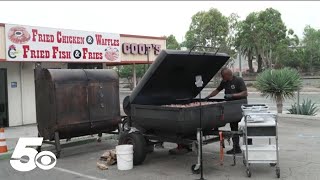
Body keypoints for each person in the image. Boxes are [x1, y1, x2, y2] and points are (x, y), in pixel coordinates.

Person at [205, 67, 249, 154]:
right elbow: (217, 90)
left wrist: (232, 95)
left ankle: (249, 146)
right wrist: (208, 97)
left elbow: (245, 93)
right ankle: (236, 148)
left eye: (223, 76)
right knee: (233, 126)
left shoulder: (238, 80)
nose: (222, 78)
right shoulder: (225, 82)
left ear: (228, 75)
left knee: (244, 127)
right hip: (231, 107)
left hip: (239, 106)